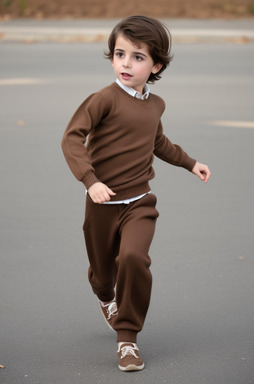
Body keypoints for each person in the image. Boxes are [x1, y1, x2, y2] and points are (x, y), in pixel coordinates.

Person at [61, 15, 211, 372]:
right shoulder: (103, 99)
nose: (126, 63)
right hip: (101, 203)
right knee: (102, 274)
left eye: (137, 57)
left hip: (140, 201)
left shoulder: (155, 105)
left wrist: (190, 163)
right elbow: (71, 138)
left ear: (156, 65)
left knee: (133, 258)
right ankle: (104, 294)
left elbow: (157, 142)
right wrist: (90, 180)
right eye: (119, 54)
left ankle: (127, 339)